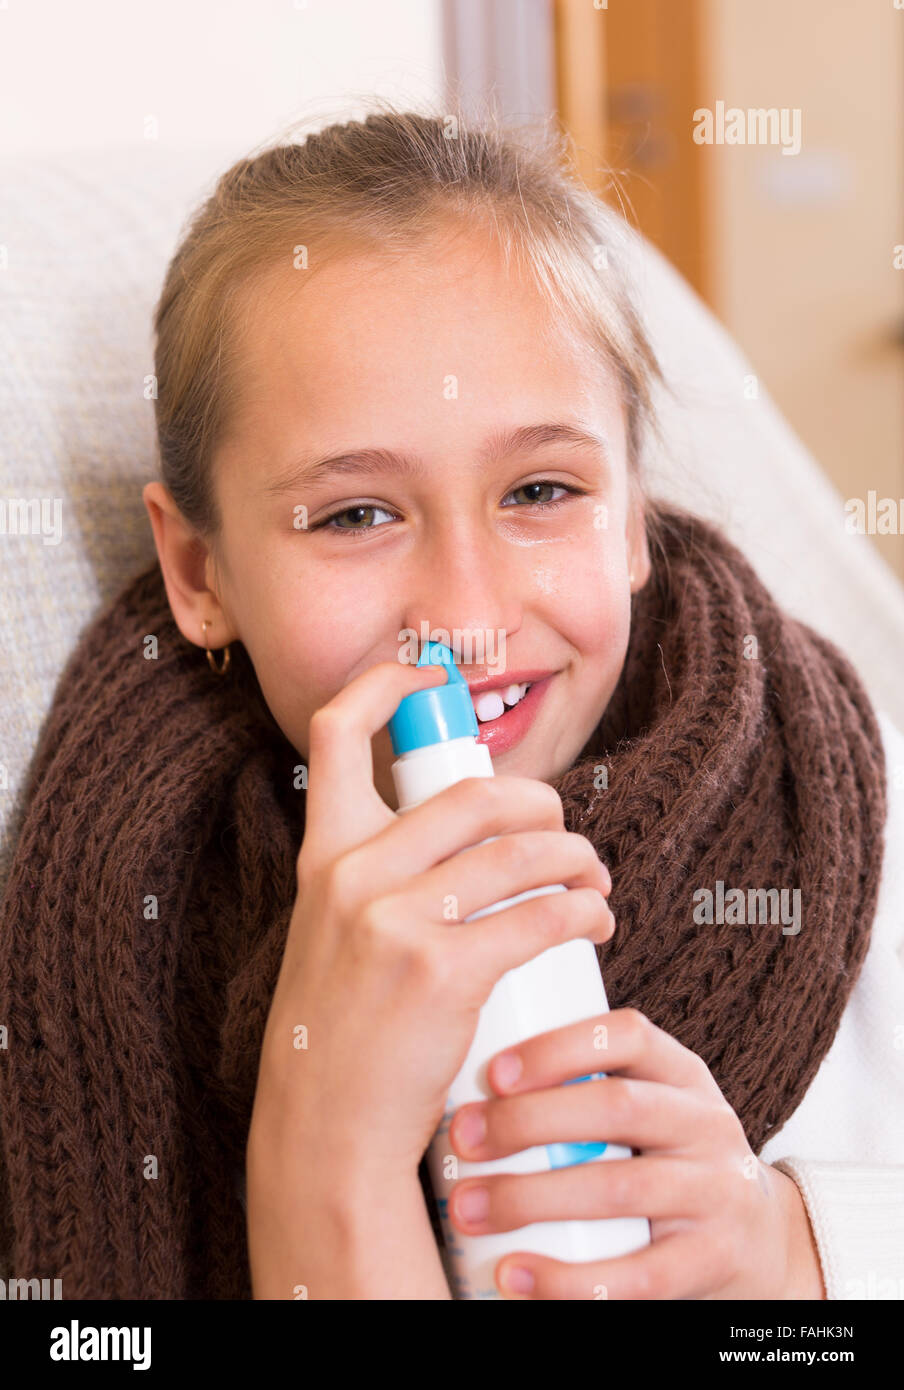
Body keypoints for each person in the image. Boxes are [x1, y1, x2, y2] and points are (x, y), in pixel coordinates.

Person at [1, 101, 901, 1301]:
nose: (466, 613)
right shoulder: (96, 932)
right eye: (356, 514)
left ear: (635, 516)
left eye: (539, 488)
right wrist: (324, 1147)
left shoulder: (843, 833)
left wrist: (802, 1253)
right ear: (199, 574)